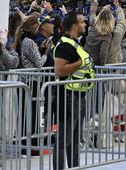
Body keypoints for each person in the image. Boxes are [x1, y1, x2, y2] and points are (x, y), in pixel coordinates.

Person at [52, 13, 95, 170]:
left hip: (79, 96)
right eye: (82, 22)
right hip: (68, 97)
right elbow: (59, 70)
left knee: (75, 140)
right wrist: (80, 62)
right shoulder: (64, 45)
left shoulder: (74, 43)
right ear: (74, 26)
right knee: (64, 140)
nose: (85, 25)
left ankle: (74, 167)